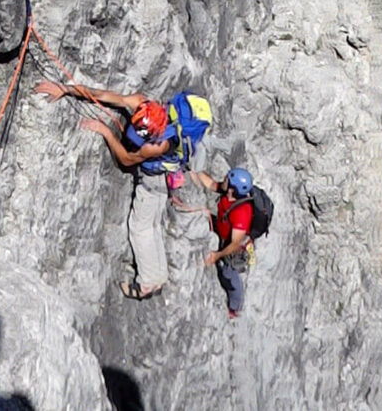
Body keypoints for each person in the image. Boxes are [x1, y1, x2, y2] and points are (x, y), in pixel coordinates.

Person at [34, 77, 184, 299]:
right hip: (163, 180)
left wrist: (105, 131)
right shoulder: (141, 103)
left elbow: (125, 158)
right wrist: (65, 89)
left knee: (140, 228)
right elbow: (103, 95)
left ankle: (146, 284)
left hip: (153, 183)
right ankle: (158, 275)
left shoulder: (157, 146)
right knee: (152, 226)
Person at [195, 168, 260, 319]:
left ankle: (235, 307)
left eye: (226, 179)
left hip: (233, 247)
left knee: (229, 275)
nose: (223, 178)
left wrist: (217, 256)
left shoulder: (242, 212)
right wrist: (193, 170)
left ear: (232, 189)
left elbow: (236, 243)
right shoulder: (229, 193)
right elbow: (211, 184)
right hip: (224, 231)